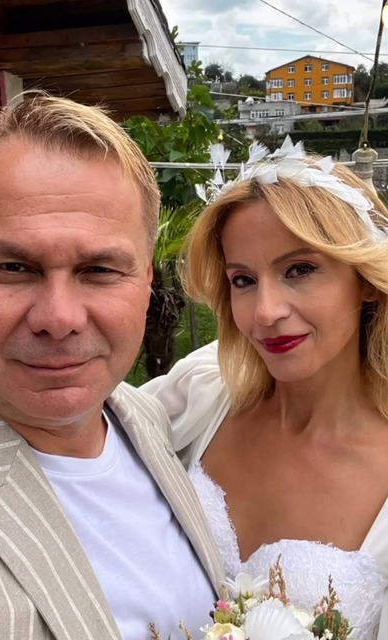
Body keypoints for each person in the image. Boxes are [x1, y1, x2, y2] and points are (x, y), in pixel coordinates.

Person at [0, 95, 224, 640]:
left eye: (99, 269)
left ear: (145, 281)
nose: (59, 318)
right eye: (14, 267)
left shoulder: (146, 419)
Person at [140, 142, 388, 640]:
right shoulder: (203, 392)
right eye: (243, 280)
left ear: (364, 278)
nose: (265, 312)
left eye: (299, 270)